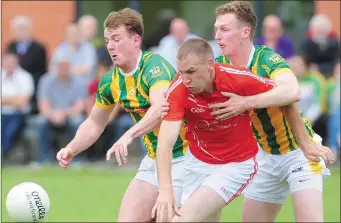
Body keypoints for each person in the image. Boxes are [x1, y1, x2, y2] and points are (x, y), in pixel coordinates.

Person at [55, 8, 188, 222]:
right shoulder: (111, 81)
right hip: (154, 159)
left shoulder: (154, 67)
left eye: (117, 39)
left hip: (186, 159)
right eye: (108, 40)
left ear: (136, 40)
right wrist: (72, 148)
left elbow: (160, 108)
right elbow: (95, 123)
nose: (110, 45)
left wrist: (128, 135)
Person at [211, 1, 334, 222]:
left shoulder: (266, 59)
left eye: (224, 29)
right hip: (264, 158)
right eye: (216, 29)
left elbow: (291, 91)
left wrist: (245, 102)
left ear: (245, 32)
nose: (217, 35)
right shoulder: (219, 66)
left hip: (299, 152)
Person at [151, 38, 275, 222]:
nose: (186, 80)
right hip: (197, 163)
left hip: (236, 165)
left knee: (182, 219)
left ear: (210, 64)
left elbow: (285, 93)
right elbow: (164, 144)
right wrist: (165, 191)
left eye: (191, 72)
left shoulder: (237, 78)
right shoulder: (178, 89)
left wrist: (246, 103)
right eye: (182, 72)